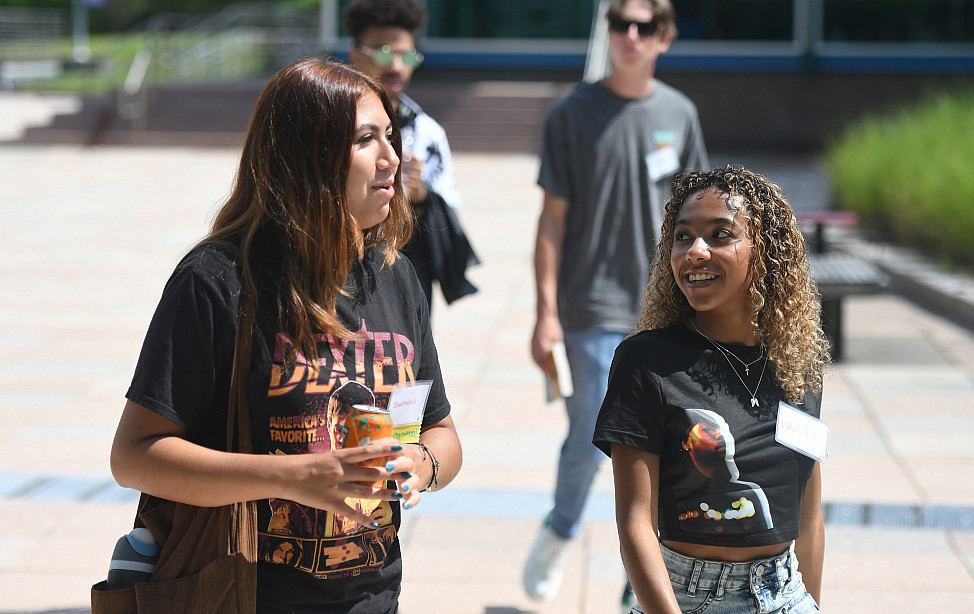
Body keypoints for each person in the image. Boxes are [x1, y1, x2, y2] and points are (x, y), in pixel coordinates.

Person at [110, 57, 462, 613]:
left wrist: (422, 464)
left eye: (390, 136)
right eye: (366, 140)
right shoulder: (217, 281)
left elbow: (441, 432)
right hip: (239, 594)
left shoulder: (397, 279)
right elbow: (134, 455)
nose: (393, 157)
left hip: (372, 599)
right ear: (307, 157)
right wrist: (294, 478)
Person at [525, 0, 709, 604]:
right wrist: (545, 311)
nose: (631, 36)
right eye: (620, 24)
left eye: (645, 26)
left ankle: (642, 582)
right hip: (592, 307)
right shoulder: (572, 114)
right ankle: (560, 529)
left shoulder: (679, 114)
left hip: (667, 306)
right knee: (591, 436)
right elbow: (551, 222)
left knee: (670, 447)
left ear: (666, 37)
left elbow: (704, 217)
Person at [593, 166, 829, 613]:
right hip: (685, 596)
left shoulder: (799, 363)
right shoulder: (647, 361)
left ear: (765, 252)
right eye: (683, 237)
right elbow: (635, 523)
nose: (695, 251)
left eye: (720, 234)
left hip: (787, 594)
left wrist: (812, 604)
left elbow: (809, 515)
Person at [344, 0, 478, 310]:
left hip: (404, 279)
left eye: (407, 56)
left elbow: (447, 217)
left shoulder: (427, 131)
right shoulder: (328, 119)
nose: (396, 66)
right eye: (384, 52)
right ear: (355, 55)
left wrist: (418, 197)